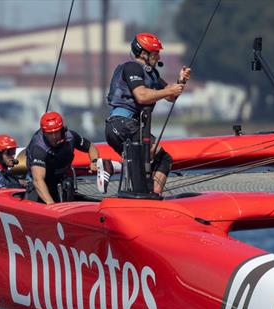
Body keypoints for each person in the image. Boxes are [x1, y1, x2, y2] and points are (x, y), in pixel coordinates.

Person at [105, 32, 191, 194]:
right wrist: (170, 90)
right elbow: (142, 96)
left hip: (126, 126)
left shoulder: (151, 73)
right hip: (122, 124)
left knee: (152, 161)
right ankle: (113, 167)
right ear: (143, 53)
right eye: (155, 53)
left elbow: (170, 96)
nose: (158, 57)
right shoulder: (132, 67)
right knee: (160, 157)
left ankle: (149, 195)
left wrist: (181, 81)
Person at [26, 111, 100, 204]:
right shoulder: (38, 148)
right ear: (44, 132)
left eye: (56, 132)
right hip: (41, 185)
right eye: (49, 133)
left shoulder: (71, 137)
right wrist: (52, 206)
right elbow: (38, 180)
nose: (54, 136)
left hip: (62, 179)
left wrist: (94, 161)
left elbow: (90, 147)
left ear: (62, 129)